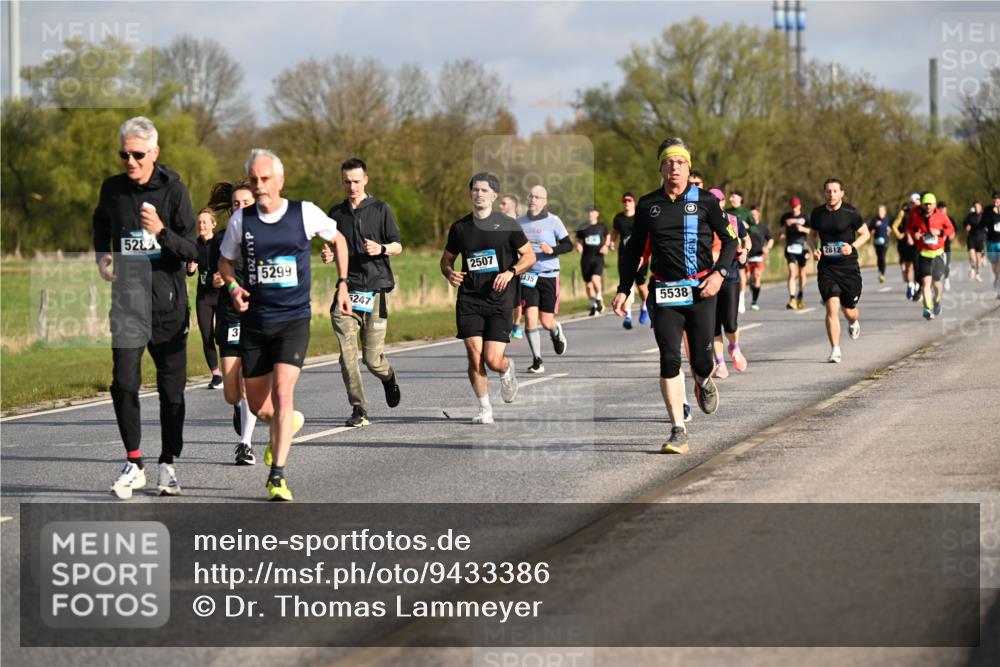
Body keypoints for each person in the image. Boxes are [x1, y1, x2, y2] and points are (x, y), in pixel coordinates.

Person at [218, 148, 351, 501]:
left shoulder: (303, 213)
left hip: (293, 319)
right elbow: (224, 261)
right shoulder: (240, 221)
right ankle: (284, 423)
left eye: (265, 179)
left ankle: (277, 475)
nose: (259, 186)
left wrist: (342, 283)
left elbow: (337, 239)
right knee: (260, 407)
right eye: (253, 180)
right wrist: (232, 287)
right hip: (256, 322)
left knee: (283, 391)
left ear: (280, 180)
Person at [94, 116, 197, 499]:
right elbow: (100, 223)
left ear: (154, 152)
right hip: (126, 306)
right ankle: (133, 462)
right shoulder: (113, 189)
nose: (130, 161)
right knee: (123, 383)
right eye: (124, 154)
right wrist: (103, 256)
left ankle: (168, 462)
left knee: (172, 394)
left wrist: (161, 233)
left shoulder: (175, 191)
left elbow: (193, 250)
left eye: (137, 154)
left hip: (167, 308)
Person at [612, 138, 737, 454]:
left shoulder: (707, 202)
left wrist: (719, 274)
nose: (675, 168)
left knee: (702, 361)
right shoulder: (647, 205)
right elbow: (633, 252)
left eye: (680, 162)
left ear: (688, 167)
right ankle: (677, 430)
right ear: (661, 168)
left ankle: (704, 380)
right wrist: (624, 289)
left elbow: (730, 241)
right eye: (669, 162)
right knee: (669, 358)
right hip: (664, 292)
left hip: (701, 290)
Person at [440, 173, 535, 424]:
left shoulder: (508, 225)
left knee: (492, 359)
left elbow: (529, 256)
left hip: (500, 300)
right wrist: (450, 273)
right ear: (470, 194)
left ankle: (506, 369)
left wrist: (510, 272)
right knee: (474, 356)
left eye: (484, 190)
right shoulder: (460, 228)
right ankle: (484, 408)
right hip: (469, 299)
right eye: (475, 190)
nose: (479, 194)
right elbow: (446, 259)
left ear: (494, 195)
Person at [321, 158, 403, 428]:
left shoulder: (381, 209)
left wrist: (381, 248)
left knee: (371, 359)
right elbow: (334, 249)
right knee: (347, 354)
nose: (352, 186)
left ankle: (388, 377)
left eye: (356, 181)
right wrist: (329, 254)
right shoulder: (336, 213)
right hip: (347, 290)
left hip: (376, 289)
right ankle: (359, 407)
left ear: (365, 180)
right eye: (347, 181)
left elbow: (398, 246)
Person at [207, 181, 259, 465]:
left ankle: (245, 444)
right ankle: (240, 407)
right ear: (231, 208)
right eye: (237, 205)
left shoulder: (268, 237)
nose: (241, 209)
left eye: (247, 204)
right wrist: (215, 280)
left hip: (258, 315)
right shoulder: (219, 240)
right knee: (233, 387)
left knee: (249, 379)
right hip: (230, 315)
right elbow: (207, 276)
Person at [808, 178, 870, 363]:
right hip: (827, 267)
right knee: (831, 306)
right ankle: (835, 349)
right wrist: (815, 249)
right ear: (824, 193)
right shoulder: (817, 213)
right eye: (828, 191)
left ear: (842, 193)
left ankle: (853, 321)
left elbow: (866, 233)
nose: (831, 194)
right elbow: (811, 236)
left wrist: (852, 246)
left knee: (849, 309)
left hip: (848, 267)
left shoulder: (851, 213)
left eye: (835, 191)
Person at [516, 185, 572, 374]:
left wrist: (552, 250)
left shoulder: (553, 221)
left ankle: (555, 331)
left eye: (537, 197)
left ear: (544, 201)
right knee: (530, 319)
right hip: (529, 275)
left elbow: (568, 245)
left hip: (549, 275)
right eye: (530, 196)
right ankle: (537, 360)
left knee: (546, 321)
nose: (533, 199)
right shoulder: (519, 222)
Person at [708, 188, 750, 378]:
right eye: (711, 200)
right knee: (714, 325)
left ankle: (734, 347)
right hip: (708, 278)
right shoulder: (701, 222)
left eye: (718, 200)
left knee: (730, 323)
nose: (715, 203)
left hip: (730, 276)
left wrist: (745, 252)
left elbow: (746, 240)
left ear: (723, 202)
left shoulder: (734, 220)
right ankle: (720, 364)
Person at [187, 208, 224, 389]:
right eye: (199, 222)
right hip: (203, 297)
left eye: (205, 222)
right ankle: (216, 375)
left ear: (213, 224)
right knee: (206, 335)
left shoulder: (220, 242)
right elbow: (189, 270)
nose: (201, 225)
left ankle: (231, 368)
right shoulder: (194, 245)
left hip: (221, 296)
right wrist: (190, 269)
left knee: (220, 335)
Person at [905, 193, 955, 320]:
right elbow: (911, 228)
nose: (927, 206)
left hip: (938, 253)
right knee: (926, 282)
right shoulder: (917, 215)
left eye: (930, 204)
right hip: (924, 253)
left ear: (934, 205)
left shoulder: (941, 216)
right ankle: (927, 308)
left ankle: (937, 299)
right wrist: (915, 234)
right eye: (925, 204)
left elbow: (951, 229)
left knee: (937, 283)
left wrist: (940, 232)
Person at [610, 192, 650, 329]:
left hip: (640, 256)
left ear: (634, 202)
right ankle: (627, 315)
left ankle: (645, 305)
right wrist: (612, 242)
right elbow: (614, 231)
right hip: (624, 256)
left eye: (629, 200)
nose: (627, 203)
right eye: (624, 201)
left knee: (641, 285)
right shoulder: (618, 218)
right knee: (626, 285)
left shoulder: (640, 217)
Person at [576, 205, 610, 315]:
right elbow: (578, 239)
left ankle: (599, 297)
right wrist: (578, 245)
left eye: (593, 211)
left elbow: (608, 236)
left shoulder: (602, 226)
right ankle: (595, 305)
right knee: (588, 286)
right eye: (589, 212)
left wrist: (606, 246)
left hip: (598, 258)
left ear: (597, 214)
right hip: (586, 259)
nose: (590, 214)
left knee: (595, 279)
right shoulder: (583, 227)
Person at [499, 194, 525, 339]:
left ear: (513, 205)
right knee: (504, 295)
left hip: (520, 265)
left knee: (517, 298)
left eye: (504, 203)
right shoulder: (497, 222)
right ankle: (505, 325)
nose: (500, 206)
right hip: (503, 264)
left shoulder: (521, 222)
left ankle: (516, 324)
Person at [779, 197, 812, 309]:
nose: (794, 209)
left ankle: (801, 296)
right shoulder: (785, 217)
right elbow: (781, 230)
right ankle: (792, 298)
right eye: (792, 206)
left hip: (802, 247)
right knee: (791, 271)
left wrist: (802, 229)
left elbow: (812, 232)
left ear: (800, 206)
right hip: (790, 247)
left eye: (796, 206)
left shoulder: (806, 217)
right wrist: (781, 234)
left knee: (802, 273)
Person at [726, 190, 754, 313]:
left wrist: (746, 227)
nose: (731, 199)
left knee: (741, 272)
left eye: (734, 197)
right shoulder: (726, 212)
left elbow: (756, 227)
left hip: (741, 247)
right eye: (730, 197)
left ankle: (741, 298)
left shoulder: (746, 213)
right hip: (728, 248)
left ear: (740, 199)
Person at [892, 193, 921, 300]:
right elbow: (894, 226)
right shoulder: (904, 212)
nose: (913, 205)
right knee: (908, 265)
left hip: (919, 243)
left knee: (918, 267)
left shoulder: (922, 212)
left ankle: (918, 286)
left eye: (914, 202)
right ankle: (910, 285)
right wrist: (900, 234)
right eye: (911, 203)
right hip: (907, 243)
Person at [746, 205, 773, 310]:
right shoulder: (746, 227)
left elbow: (770, 239)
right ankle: (753, 289)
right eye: (751, 215)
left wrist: (767, 247)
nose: (753, 216)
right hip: (748, 256)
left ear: (758, 215)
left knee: (757, 276)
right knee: (749, 279)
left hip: (759, 256)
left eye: (755, 214)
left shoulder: (763, 227)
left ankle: (754, 301)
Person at [867, 204, 892, 283]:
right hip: (876, 241)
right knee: (879, 257)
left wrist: (890, 230)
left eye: (881, 211)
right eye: (879, 211)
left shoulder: (888, 219)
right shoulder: (874, 219)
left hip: (885, 241)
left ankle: (882, 274)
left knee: (882, 257)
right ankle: (880, 270)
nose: (880, 213)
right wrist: (872, 231)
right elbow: (869, 229)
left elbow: (893, 227)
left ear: (885, 212)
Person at [937, 201, 957, 291]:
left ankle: (946, 279)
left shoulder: (950, 219)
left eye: (943, 208)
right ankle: (936, 281)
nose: (942, 210)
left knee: (946, 264)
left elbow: (953, 230)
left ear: (946, 209)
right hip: (936, 246)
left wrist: (951, 235)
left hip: (946, 246)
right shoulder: (934, 219)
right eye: (940, 208)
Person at [984, 192, 1000, 298]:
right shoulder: (988, 210)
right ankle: (997, 277)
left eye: (997, 199)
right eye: (994, 199)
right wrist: (994, 215)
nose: (995, 201)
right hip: (991, 241)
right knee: (994, 266)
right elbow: (984, 222)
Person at [964, 200, 985, 282]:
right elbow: (965, 223)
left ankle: (978, 274)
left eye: (978, 206)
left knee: (978, 259)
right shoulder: (970, 216)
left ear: (981, 207)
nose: (976, 208)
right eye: (975, 206)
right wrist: (967, 226)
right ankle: (972, 268)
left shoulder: (984, 216)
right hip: (971, 238)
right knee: (973, 257)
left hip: (980, 239)